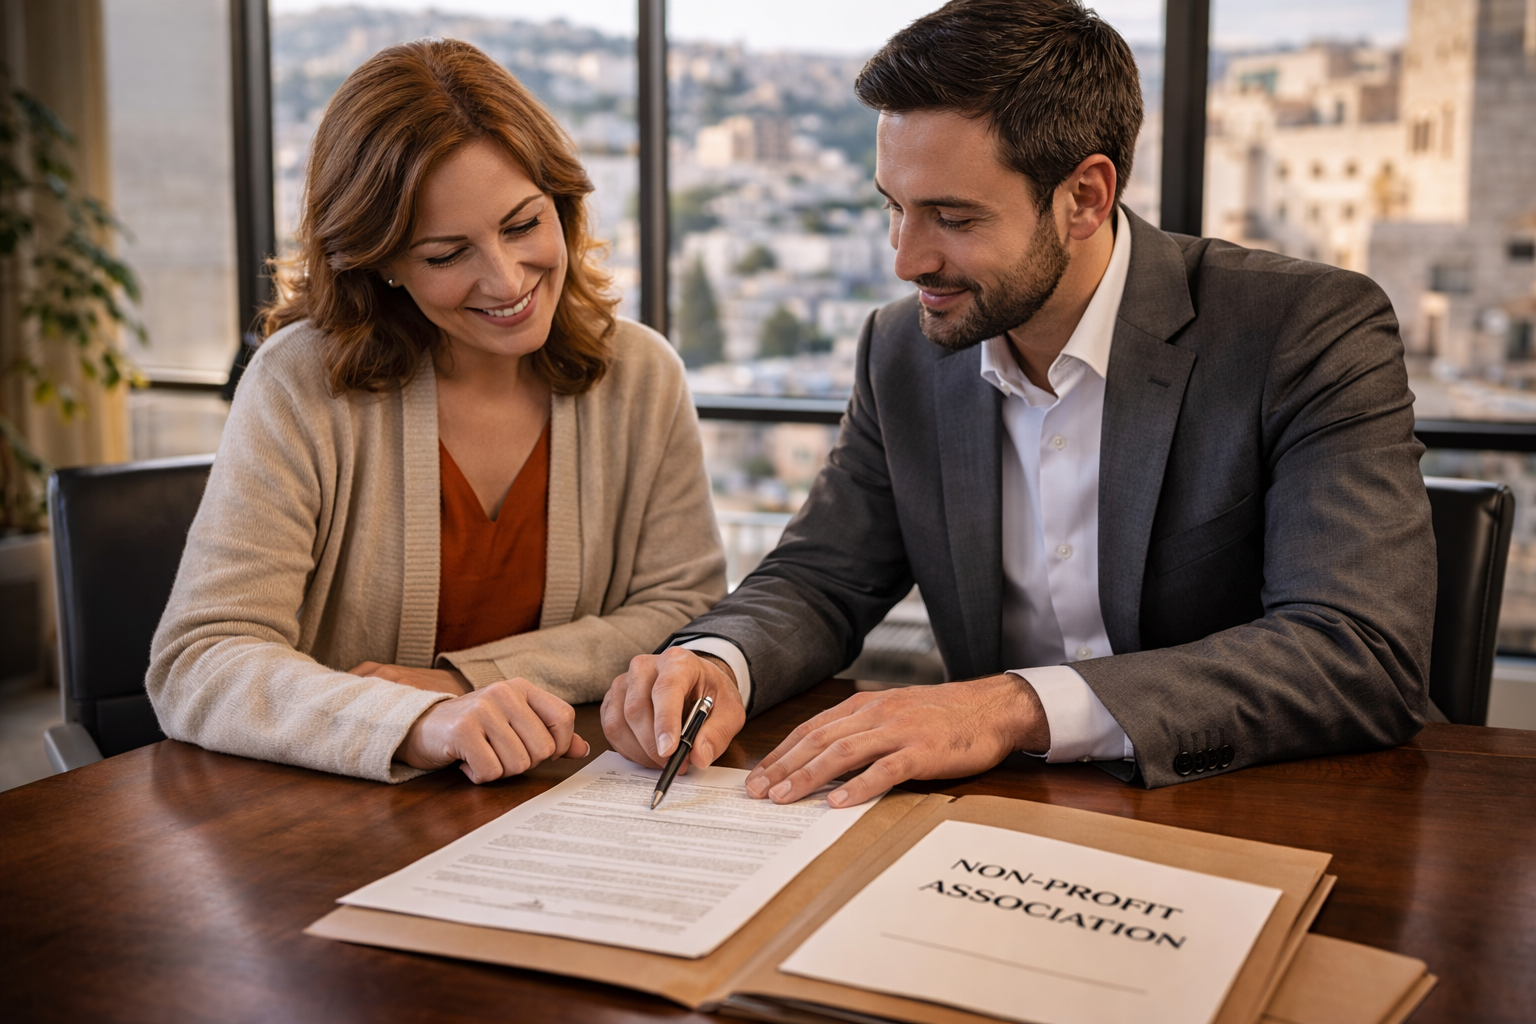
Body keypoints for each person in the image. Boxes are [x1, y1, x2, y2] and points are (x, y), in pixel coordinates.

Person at [602, 0, 1434, 801]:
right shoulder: (901, 350)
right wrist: (719, 659)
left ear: (1085, 198)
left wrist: (1012, 705)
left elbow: (1356, 651)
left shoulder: (1302, 328)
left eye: (952, 218)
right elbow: (823, 576)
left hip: (1252, 808)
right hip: (992, 824)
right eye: (893, 208)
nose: (906, 259)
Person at [149, 39, 725, 784]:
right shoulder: (299, 384)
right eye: (447, 254)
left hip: (559, 804)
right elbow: (199, 661)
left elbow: (685, 610)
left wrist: (466, 682)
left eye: (522, 225)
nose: (506, 278)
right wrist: (412, 722)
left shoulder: (642, 375)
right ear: (381, 262)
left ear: (563, 203)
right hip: (329, 820)